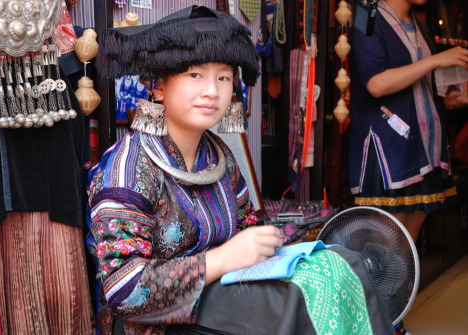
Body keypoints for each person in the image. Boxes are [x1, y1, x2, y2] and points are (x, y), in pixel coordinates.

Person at [87, 5, 394, 335]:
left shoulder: (218, 157)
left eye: (223, 77)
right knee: (291, 308)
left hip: (221, 303)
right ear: (158, 87)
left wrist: (268, 242)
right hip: (156, 326)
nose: (212, 91)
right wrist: (221, 260)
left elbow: (247, 227)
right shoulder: (127, 167)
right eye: (195, 75)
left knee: (343, 263)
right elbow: (123, 290)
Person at [348, 0, 468, 243]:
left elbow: (419, 90)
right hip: (389, 145)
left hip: (423, 146)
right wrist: (435, 60)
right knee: (385, 243)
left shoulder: (420, 25)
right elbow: (376, 84)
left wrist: (456, 100)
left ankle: (405, 282)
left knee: (406, 246)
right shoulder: (366, 14)